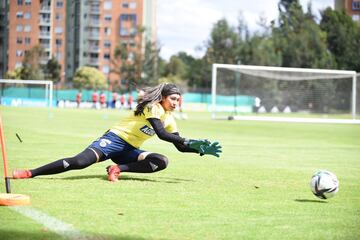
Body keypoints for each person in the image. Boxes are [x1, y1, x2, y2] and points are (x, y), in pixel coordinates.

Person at [12, 83, 222, 182]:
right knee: (78, 162)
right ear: (163, 98)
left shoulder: (170, 118)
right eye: (173, 99)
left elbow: (178, 145)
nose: (176, 103)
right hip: (114, 139)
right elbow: (161, 134)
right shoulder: (153, 107)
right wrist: (189, 140)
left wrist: (197, 148)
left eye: (178, 100)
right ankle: (31, 172)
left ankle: (118, 168)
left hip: (129, 150)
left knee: (161, 161)